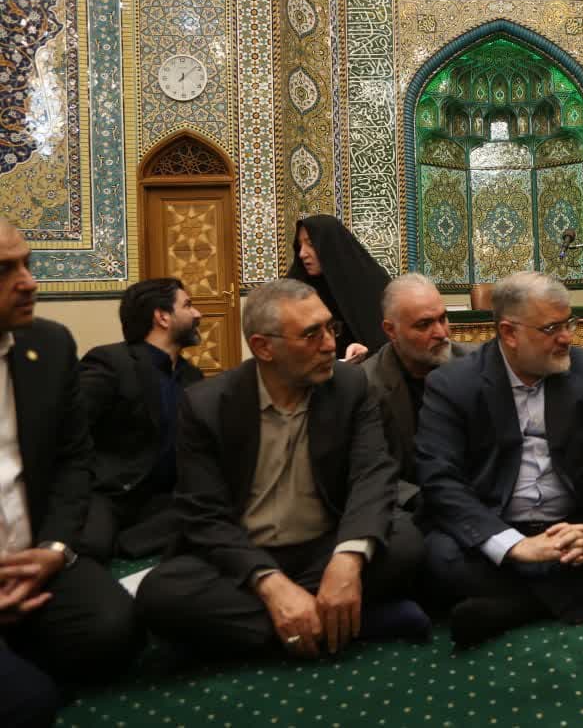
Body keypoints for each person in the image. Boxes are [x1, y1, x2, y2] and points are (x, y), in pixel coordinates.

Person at [136, 279, 427, 659]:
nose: (330, 345)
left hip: (325, 546)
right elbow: (204, 514)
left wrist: (347, 560)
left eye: (330, 328)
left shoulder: (350, 385)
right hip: (247, 554)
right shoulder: (207, 405)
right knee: (161, 594)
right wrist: (270, 584)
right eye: (311, 334)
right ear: (263, 347)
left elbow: (372, 475)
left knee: (407, 541)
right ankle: (351, 622)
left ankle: (276, 629)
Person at [416, 272, 583, 647]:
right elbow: (439, 479)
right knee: (440, 555)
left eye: (568, 323)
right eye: (551, 328)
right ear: (509, 333)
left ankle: (516, 607)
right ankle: (578, 591)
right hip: (497, 518)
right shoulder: (453, 384)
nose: (567, 337)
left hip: (574, 520)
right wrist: (515, 546)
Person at [0, 218, 143, 712]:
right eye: (4, 270)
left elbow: (73, 459)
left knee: (115, 631)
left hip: (35, 557)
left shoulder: (50, 346)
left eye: (27, 264)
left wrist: (55, 548)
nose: (28, 282)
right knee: (32, 703)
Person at [78, 278, 204, 560]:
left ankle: (129, 544)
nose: (198, 314)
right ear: (162, 317)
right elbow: (69, 429)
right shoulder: (111, 362)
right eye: (188, 305)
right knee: (92, 546)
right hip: (111, 493)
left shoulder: (192, 377)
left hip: (167, 500)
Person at [363, 273, 475, 507]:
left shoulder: (476, 366)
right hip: (409, 507)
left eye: (443, 319)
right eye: (424, 325)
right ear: (391, 330)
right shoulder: (368, 385)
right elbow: (372, 470)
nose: (441, 333)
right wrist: (423, 501)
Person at [286, 214, 391, 362]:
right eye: (300, 245)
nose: (302, 253)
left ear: (331, 246)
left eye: (311, 244)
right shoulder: (294, 291)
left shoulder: (372, 284)